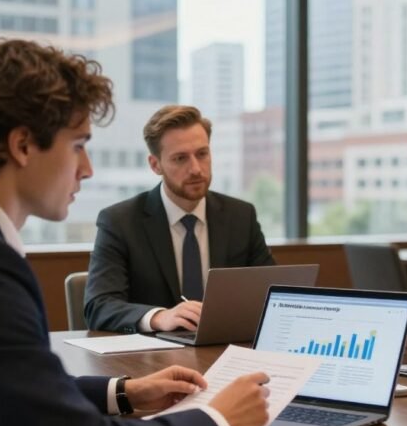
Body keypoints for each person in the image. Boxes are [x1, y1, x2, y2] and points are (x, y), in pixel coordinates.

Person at [0, 39, 271, 426]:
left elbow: (11, 389)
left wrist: (124, 392)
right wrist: (217, 421)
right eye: (78, 145)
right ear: (23, 145)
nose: (86, 169)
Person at [84, 105, 275, 333]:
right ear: (155, 165)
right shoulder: (119, 222)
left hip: (224, 349)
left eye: (202, 154)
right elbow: (99, 306)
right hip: (152, 358)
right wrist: (159, 317)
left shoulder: (241, 216)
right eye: (180, 158)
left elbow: (272, 293)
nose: (195, 169)